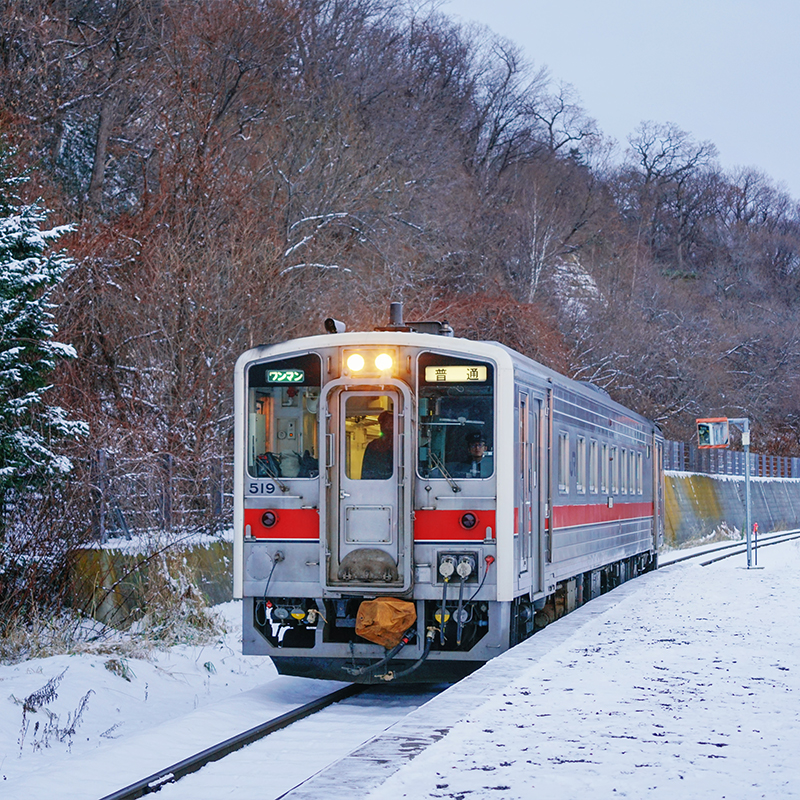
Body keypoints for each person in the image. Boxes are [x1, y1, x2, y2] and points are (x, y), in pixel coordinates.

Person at [361, 410, 394, 479]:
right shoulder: (373, 446)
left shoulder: (401, 445)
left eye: (392, 423)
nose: (389, 427)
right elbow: (366, 471)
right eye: (387, 423)